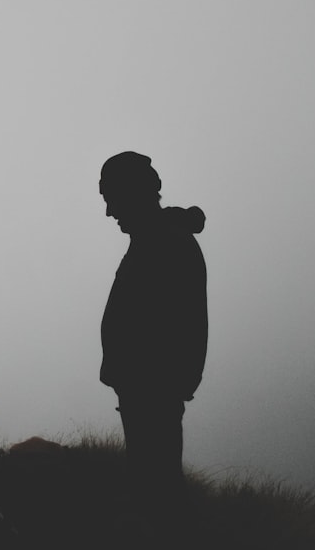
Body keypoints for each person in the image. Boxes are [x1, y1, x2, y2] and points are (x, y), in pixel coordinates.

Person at [98, 151, 207, 542]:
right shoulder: (154, 240)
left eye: (112, 198)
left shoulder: (167, 244)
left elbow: (182, 324)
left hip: (152, 394)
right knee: (151, 489)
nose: (110, 212)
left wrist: (159, 383)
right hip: (143, 391)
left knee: (159, 493)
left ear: (134, 194)